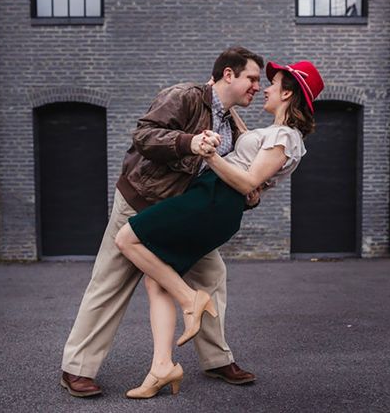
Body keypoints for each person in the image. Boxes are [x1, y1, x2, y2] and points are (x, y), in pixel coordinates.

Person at [61, 46, 264, 397]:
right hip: (141, 203)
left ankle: (216, 359)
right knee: (111, 282)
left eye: (259, 82)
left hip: (179, 215)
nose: (257, 88)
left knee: (212, 275)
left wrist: (247, 194)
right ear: (228, 74)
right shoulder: (184, 96)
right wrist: (190, 142)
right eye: (252, 78)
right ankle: (76, 369)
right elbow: (144, 135)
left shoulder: (233, 124)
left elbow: (219, 177)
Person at [115, 59, 324, 399]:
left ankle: (190, 299)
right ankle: (162, 367)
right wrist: (219, 98)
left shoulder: (286, 137)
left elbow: (248, 182)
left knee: (127, 239)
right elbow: (239, 132)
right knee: (156, 279)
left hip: (215, 200)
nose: (265, 89)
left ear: (287, 93)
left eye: (272, 84)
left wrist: (209, 154)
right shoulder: (271, 133)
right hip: (212, 197)